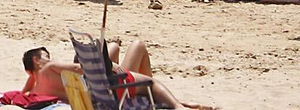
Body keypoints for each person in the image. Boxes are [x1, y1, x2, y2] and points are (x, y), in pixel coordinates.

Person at [22, 40, 210, 109]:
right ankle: (171, 104)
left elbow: (25, 88)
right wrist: (110, 66)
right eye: (45, 56)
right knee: (138, 46)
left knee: (113, 47)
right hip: (107, 92)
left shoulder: (36, 85)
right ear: (37, 61)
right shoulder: (51, 67)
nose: (49, 59)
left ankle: (160, 100)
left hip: (97, 94)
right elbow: (82, 68)